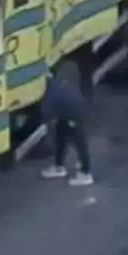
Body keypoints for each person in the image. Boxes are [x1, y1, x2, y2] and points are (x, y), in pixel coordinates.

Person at [39, 57, 94, 186]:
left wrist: (46, 123)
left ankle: (85, 173)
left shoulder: (50, 91)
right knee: (61, 137)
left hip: (75, 114)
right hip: (70, 111)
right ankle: (59, 166)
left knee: (79, 142)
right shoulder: (57, 81)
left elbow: (46, 112)